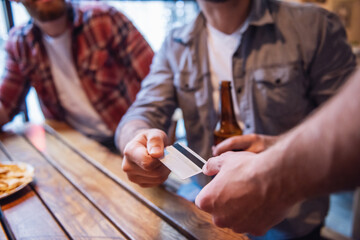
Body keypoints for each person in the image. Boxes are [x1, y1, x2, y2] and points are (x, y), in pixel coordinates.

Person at [116, 0, 356, 238]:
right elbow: (142, 111)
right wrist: (137, 140)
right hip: (203, 205)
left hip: (290, 218)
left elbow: (350, 130)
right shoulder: (174, 43)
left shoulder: (315, 26)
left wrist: (276, 156)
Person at [195, 68, 360, 236]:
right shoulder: (176, 44)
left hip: (292, 216)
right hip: (200, 193)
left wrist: (268, 175)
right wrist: (277, 144)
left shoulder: (315, 41)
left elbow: (346, 107)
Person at [0, 0, 153, 148]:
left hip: (125, 139)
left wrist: (148, 136)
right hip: (72, 144)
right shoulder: (19, 43)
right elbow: (5, 104)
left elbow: (156, 84)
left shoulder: (103, 18)